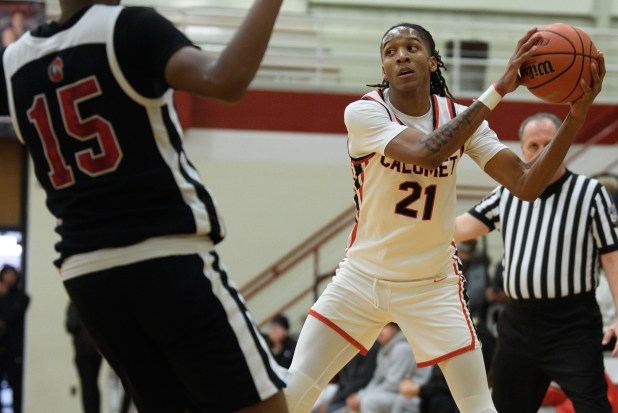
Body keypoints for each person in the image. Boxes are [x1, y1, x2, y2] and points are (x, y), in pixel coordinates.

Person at [284, 22, 605, 413]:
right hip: (362, 278)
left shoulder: (461, 118)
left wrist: (575, 117)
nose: (401, 55)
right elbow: (427, 152)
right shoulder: (365, 112)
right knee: (292, 394)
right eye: (390, 51)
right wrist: (500, 88)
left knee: (479, 407)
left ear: (433, 61)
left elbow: (525, 184)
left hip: (432, 285)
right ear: (384, 69)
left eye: (412, 47)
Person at [0, 0, 288, 412]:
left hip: (87, 277)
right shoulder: (127, 27)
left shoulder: (12, 61)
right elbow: (227, 79)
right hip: (165, 259)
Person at [455, 112, 618, 412]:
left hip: (573, 322)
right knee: (506, 407)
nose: (542, 152)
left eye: (550, 143)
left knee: (594, 407)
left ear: (564, 144)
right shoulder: (507, 193)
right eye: (533, 145)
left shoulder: (591, 193)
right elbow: (460, 228)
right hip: (518, 322)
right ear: (522, 149)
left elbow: (613, 257)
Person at [344, 323, 417, 413]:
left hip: (406, 396)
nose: (381, 330)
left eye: (386, 326)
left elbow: (393, 385)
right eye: (378, 326)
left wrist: (361, 397)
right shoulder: (383, 349)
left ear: (396, 327)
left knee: (368, 402)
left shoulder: (403, 349)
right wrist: (359, 396)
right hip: (388, 393)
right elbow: (377, 379)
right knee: (355, 404)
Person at [312, 342, 380, 413]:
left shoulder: (371, 349)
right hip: (342, 395)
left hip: (354, 397)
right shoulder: (347, 349)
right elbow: (342, 382)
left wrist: (331, 403)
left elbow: (359, 384)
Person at [0, 264, 29, 413]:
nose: (9, 277)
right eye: (7, 274)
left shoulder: (22, 297)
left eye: (12, 274)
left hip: (14, 350)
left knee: (17, 389)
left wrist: (3, 297)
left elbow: (12, 316)